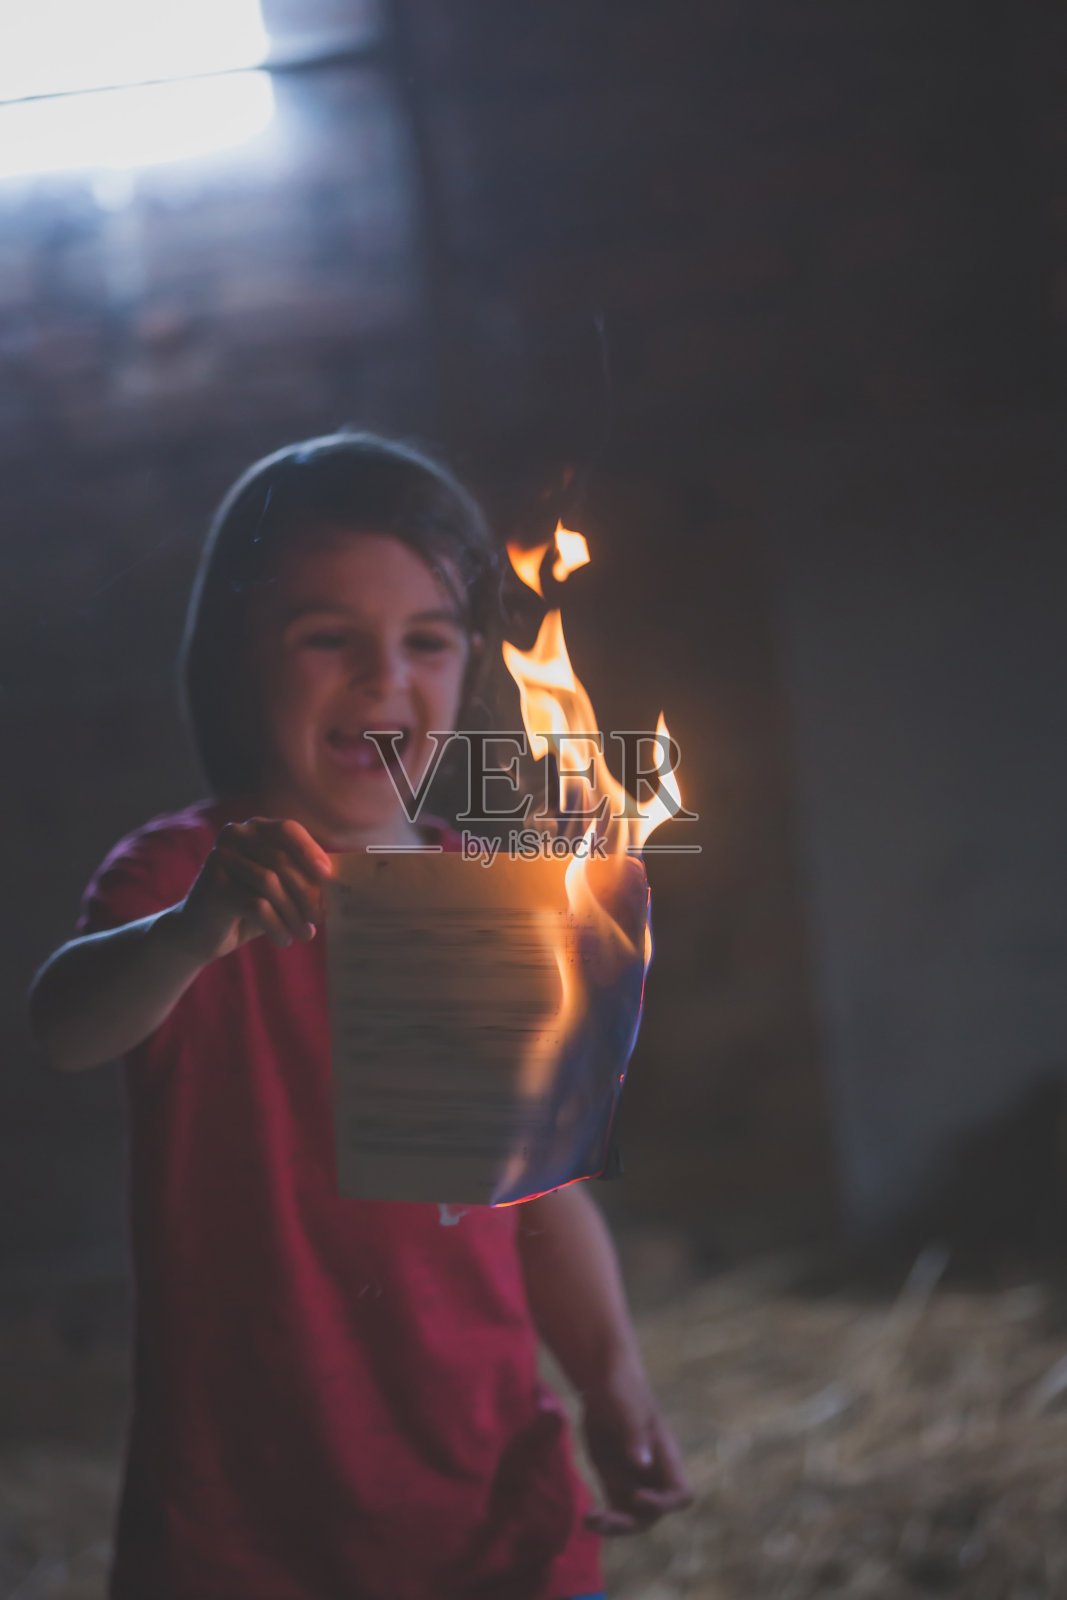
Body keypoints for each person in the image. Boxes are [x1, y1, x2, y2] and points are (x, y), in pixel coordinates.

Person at [28, 433, 692, 1600]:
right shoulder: (179, 876)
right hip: (252, 1535)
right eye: (327, 637)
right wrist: (192, 929)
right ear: (242, 658)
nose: (384, 679)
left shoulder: (467, 893)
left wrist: (612, 1379)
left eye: (426, 640)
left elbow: (538, 1197)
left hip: (501, 1519)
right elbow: (67, 1026)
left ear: (470, 664)